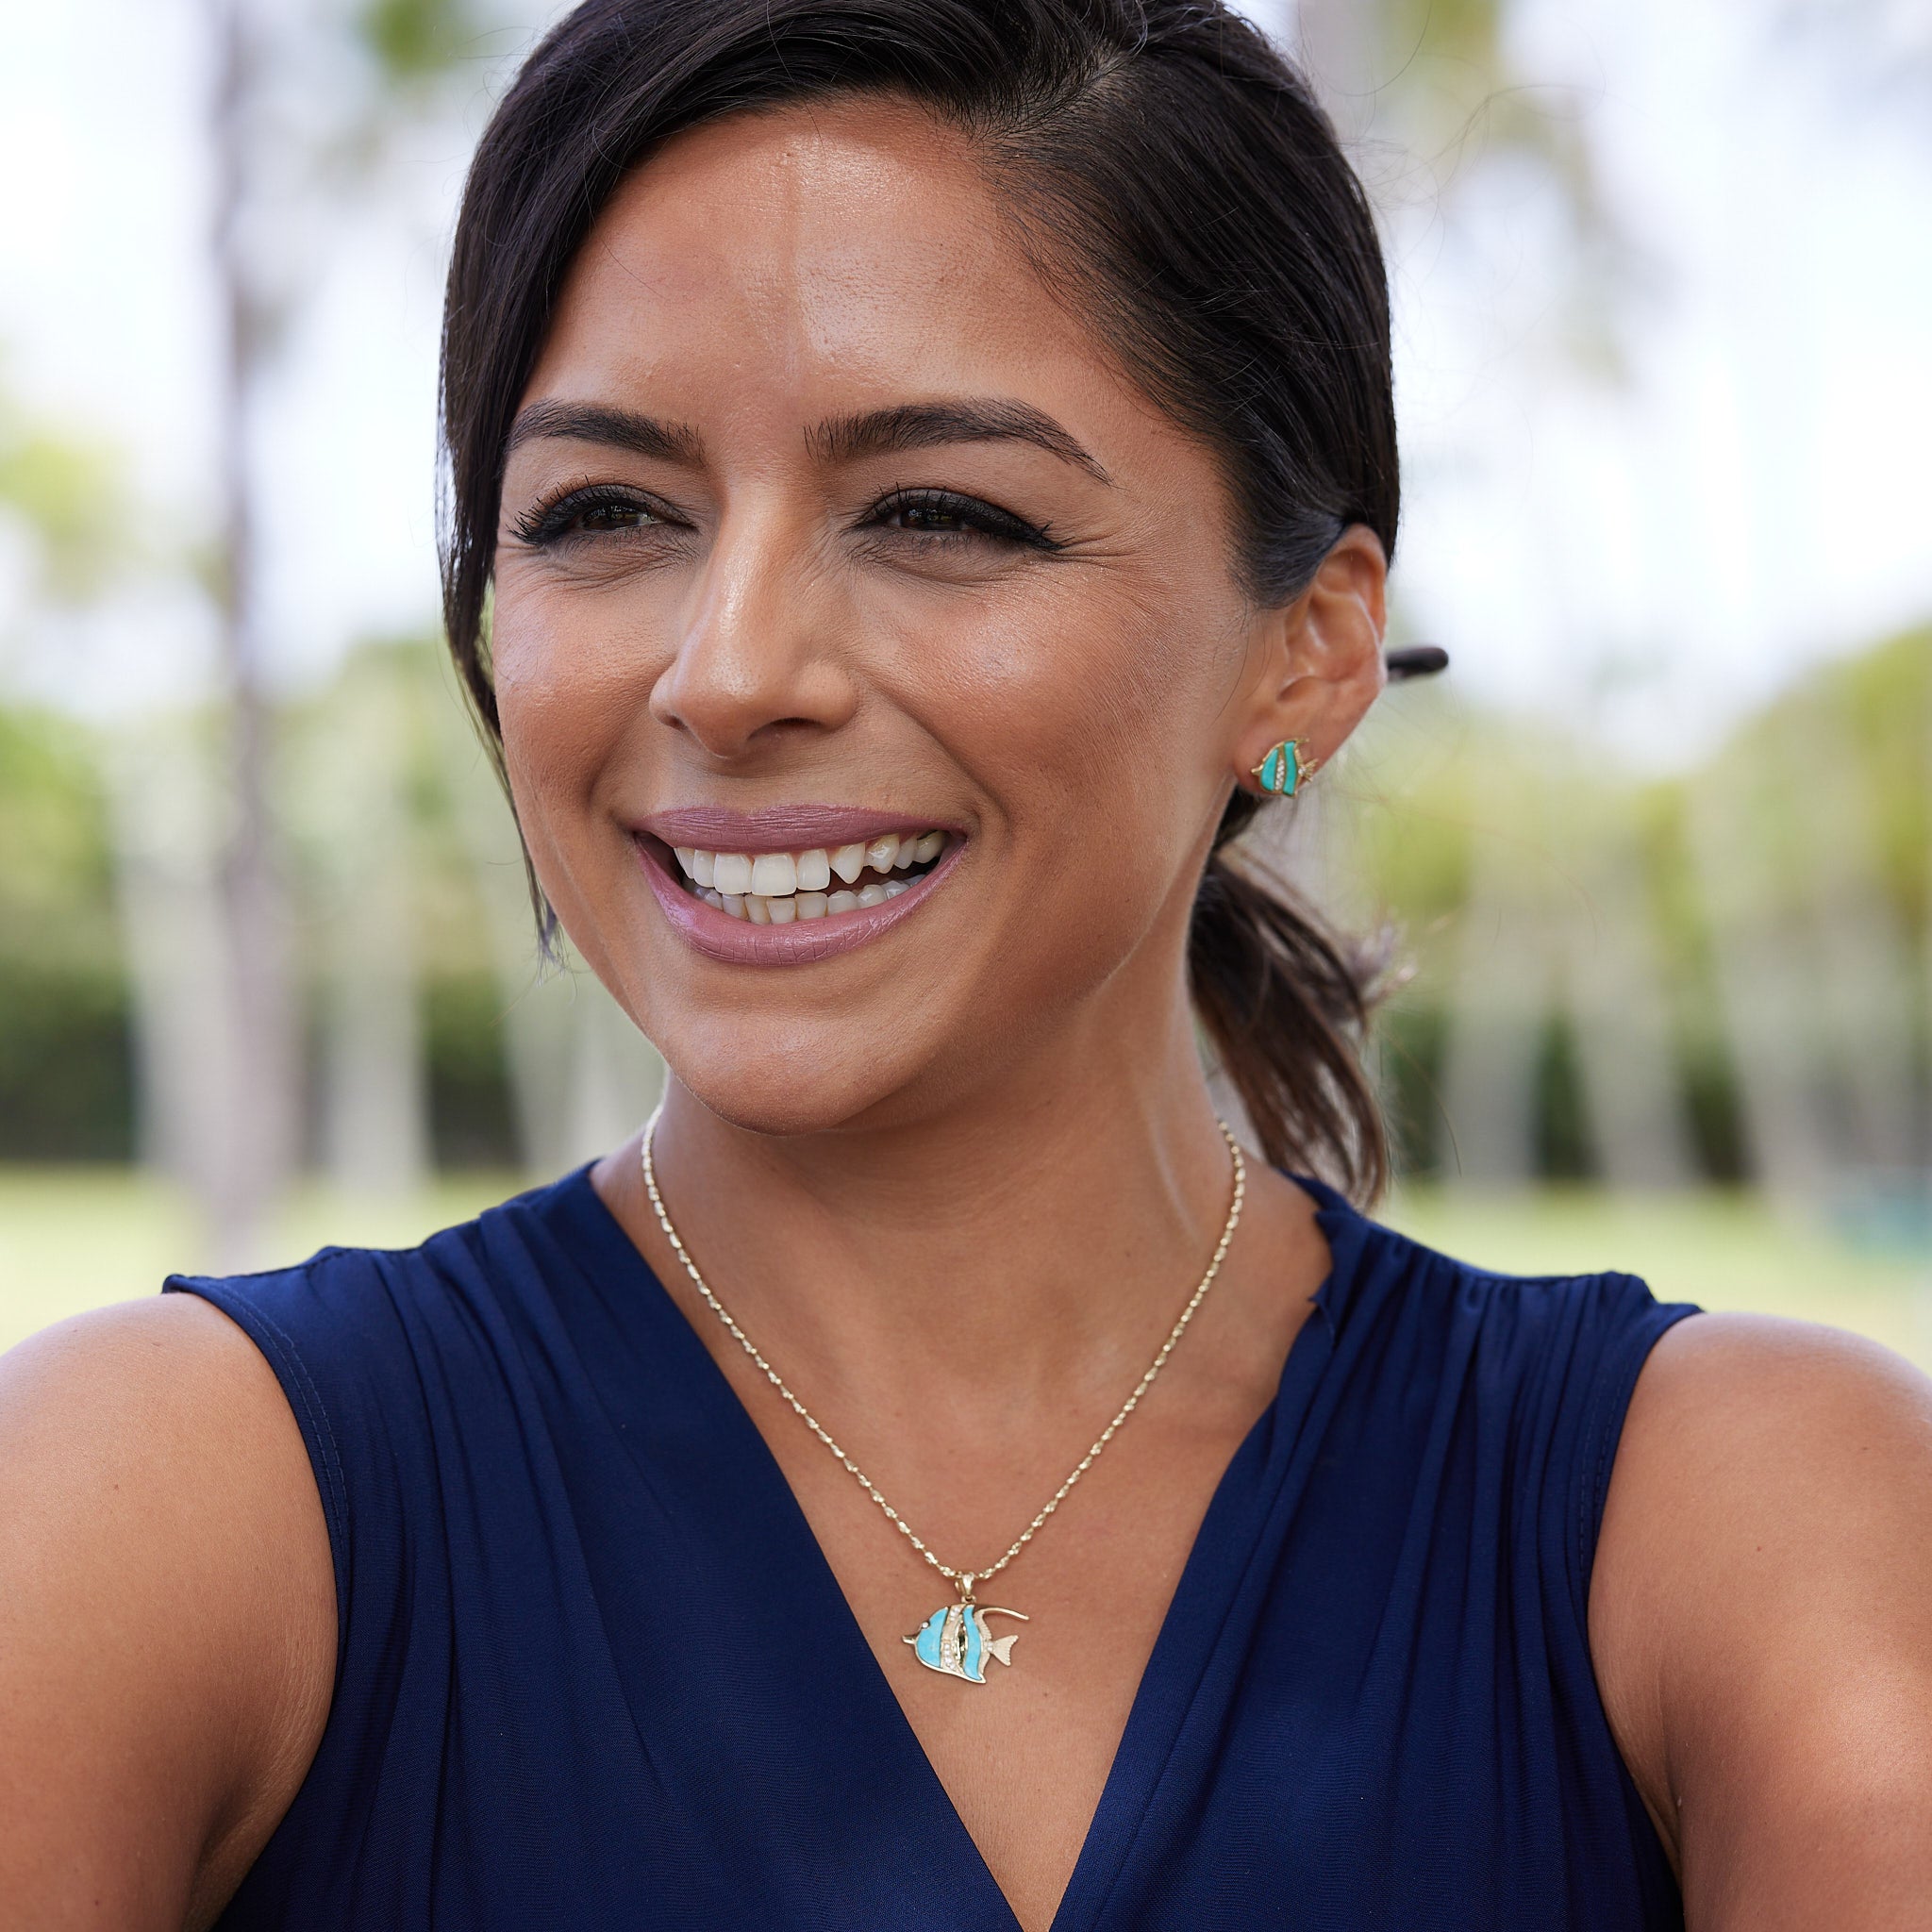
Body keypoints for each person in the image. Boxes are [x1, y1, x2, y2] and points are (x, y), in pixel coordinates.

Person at [5, 2, 1929, 1926]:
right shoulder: (147, 1510)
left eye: (940, 512)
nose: (731, 669)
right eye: (605, 513)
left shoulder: (1738, 1525)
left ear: (1311, 650)